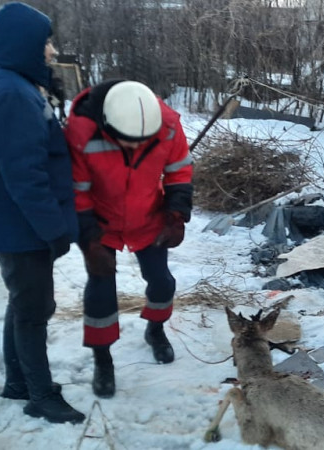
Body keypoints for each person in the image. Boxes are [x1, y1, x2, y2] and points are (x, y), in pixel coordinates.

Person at [0, 2, 85, 424]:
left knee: (23, 304)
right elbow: (25, 175)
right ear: (26, 44)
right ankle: (40, 395)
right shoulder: (11, 93)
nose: (51, 51)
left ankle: (18, 383)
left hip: (10, 223)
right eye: (46, 42)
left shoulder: (6, 83)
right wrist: (54, 229)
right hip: (20, 226)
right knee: (34, 311)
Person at [64, 80, 194, 398]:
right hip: (101, 224)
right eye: (127, 142)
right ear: (108, 125)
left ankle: (156, 329)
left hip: (148, 218)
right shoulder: (80, 130)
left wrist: (176, 214)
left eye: (142, 142)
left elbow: (179, 171)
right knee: (100, 292)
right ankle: (102, 359)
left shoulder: (169, 125)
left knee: (162, 281)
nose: (135, 149)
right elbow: (76, 191)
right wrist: (90, 241)